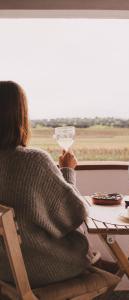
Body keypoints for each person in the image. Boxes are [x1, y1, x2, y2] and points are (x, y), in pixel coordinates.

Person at [0, 81, 116, 289]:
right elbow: (74, 216)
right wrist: (68, 171)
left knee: (101, 261)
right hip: (38, 269)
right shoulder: (33, 161)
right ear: (21, 115)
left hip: (4, 269)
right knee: (106, 263)